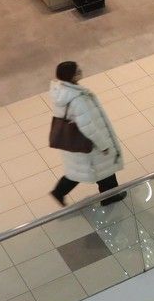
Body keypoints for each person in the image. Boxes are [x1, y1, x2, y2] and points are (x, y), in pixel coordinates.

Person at [49, 61, 126, 207]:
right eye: (77, 71)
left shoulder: (62, 91)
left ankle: (59, 191)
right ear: (70, 76)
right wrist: (103, 145)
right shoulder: (77, 99)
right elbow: (88, 127)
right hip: (89, 143)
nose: (81, 71)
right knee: (103, 169)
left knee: (79, 170)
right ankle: (109, 197)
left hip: (75, 141)